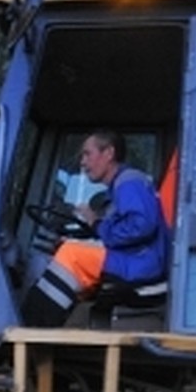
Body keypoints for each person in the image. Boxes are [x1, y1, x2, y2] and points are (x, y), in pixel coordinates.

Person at [20, 130, 171, 327]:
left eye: (87, 154)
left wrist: (97, 224)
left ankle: (31, 329)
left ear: (108, 153)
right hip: (134, 259)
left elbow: (141, 225)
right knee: (66, 249)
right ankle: (61, 326)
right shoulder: (117, 189)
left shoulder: (129, 182)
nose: (82, 162)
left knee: (71, 256)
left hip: (141, 265)